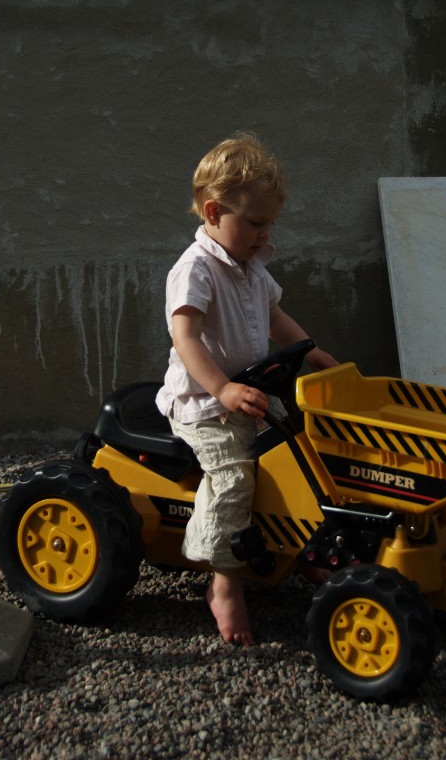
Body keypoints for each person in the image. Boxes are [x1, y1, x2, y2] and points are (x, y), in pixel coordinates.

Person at [156, 132, 338, 647]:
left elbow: (275, 316)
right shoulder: (195, 269)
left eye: (270, 223)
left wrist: (309, 350)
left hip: (248, 395)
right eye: (256, 223)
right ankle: (223, 581)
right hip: (204, 405)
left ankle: (301, 547)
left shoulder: (252, 268)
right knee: (234, 476)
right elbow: (185, 338)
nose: (265, 233)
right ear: (214, 212)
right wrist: (222, 389)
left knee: (299, 459)